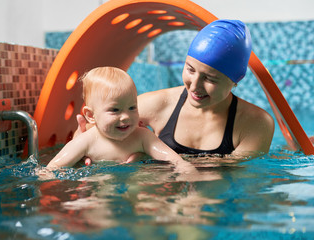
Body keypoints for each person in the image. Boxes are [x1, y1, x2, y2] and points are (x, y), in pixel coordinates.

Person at [77, 19, 275, 159]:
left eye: (210, 78)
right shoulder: (157, 104)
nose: (194, 86)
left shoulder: (255, 124)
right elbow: (93, 132)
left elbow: (235, 180)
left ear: (235, 80)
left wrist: (149, 155)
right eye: (190, 69)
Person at [46, 66, 195, 173]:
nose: (126, 116)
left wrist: (186, 168)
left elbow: (172, 158)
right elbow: (53, 168)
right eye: (115, 110)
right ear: (91, 115)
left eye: (132, 108)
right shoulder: (86, 141)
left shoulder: (142, 136)